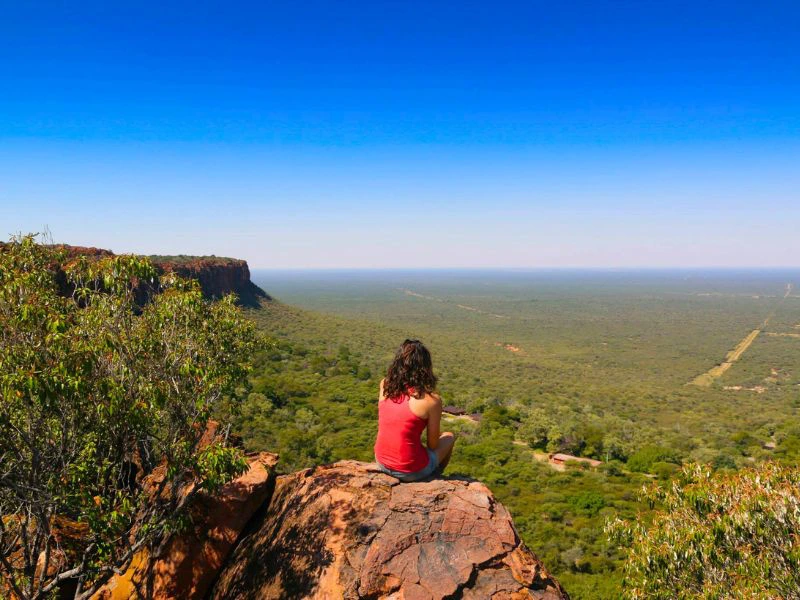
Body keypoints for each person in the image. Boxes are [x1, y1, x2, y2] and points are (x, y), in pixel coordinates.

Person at [374, 339, 456, 482]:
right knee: (449, 436)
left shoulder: (385, 384)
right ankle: (435, 474)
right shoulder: (431, 401)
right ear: (426, 368)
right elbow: (433, 445)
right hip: (410, 471)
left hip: (381, 462)